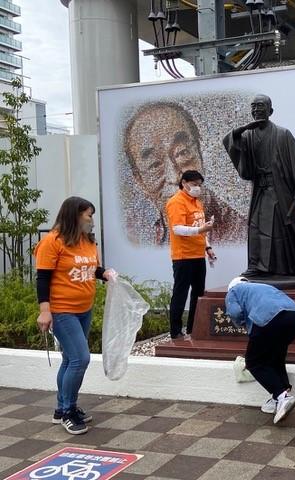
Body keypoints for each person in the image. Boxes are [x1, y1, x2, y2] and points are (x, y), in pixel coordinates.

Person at [34, 196, 117, 435]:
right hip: (62, 310)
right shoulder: (53, 241)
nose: (91, 220)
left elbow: (92, 269)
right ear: (74, 215)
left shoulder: (87, 241)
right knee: (81, 359)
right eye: (88, 215)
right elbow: (43, 278)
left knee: (70, 360)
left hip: (84, 308)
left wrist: (105, 274)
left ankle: (61, 409)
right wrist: (45, 310)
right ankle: (68, 411)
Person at [124, 102, 245, 246]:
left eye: (182, 152)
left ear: (199, 153)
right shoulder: (139, 238)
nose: (175, 176)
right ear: (141, 182)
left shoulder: (239, 233)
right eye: (154, 165)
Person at [222, 94, 295, 278]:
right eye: (254, 107)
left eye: (261, 106)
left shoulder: (282, 134)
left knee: (284, 229)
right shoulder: (247, 135)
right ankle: (256, 266)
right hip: (261, 190)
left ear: (270, 111)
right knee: (256, 228)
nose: (257, 110)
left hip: (281, 191)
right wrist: (244, 128)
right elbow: (229, 141)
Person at [225, 277, 295, 424]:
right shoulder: (262, 286)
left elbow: (234, 312)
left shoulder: (234, 291)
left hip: (268, 317)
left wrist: (243, 323)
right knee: (275, 357)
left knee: (254, 362)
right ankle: (278, 397)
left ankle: (282, 397)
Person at [165, 170, 216, 340]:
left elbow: (201, 228)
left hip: (197, 255)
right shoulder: (176, 202)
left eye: (199, 185)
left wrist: (207, 247)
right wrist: (201, 229)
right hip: (183, 256)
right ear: (184, 183)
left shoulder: (197, 203)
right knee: (181, 293)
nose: (197, 188)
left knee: (198, 293)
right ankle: (175, 331)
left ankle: (193, 328)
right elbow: (177, 228)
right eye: (194, 184)